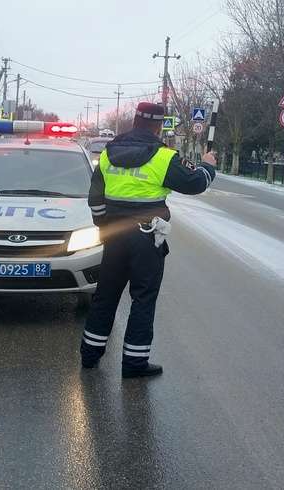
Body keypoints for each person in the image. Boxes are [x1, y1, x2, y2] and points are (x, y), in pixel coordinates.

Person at [80, 102, 217, 378]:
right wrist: (208, 165)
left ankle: (89, 355)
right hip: (146, 237)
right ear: (158, 125)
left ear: (135, 121)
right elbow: (195, 184)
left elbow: (95, 199)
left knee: (105, 296)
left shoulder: (108, 154)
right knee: (143, 298)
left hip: (114, 235)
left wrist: (104, 226)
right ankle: (134, 363)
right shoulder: (164, 158)